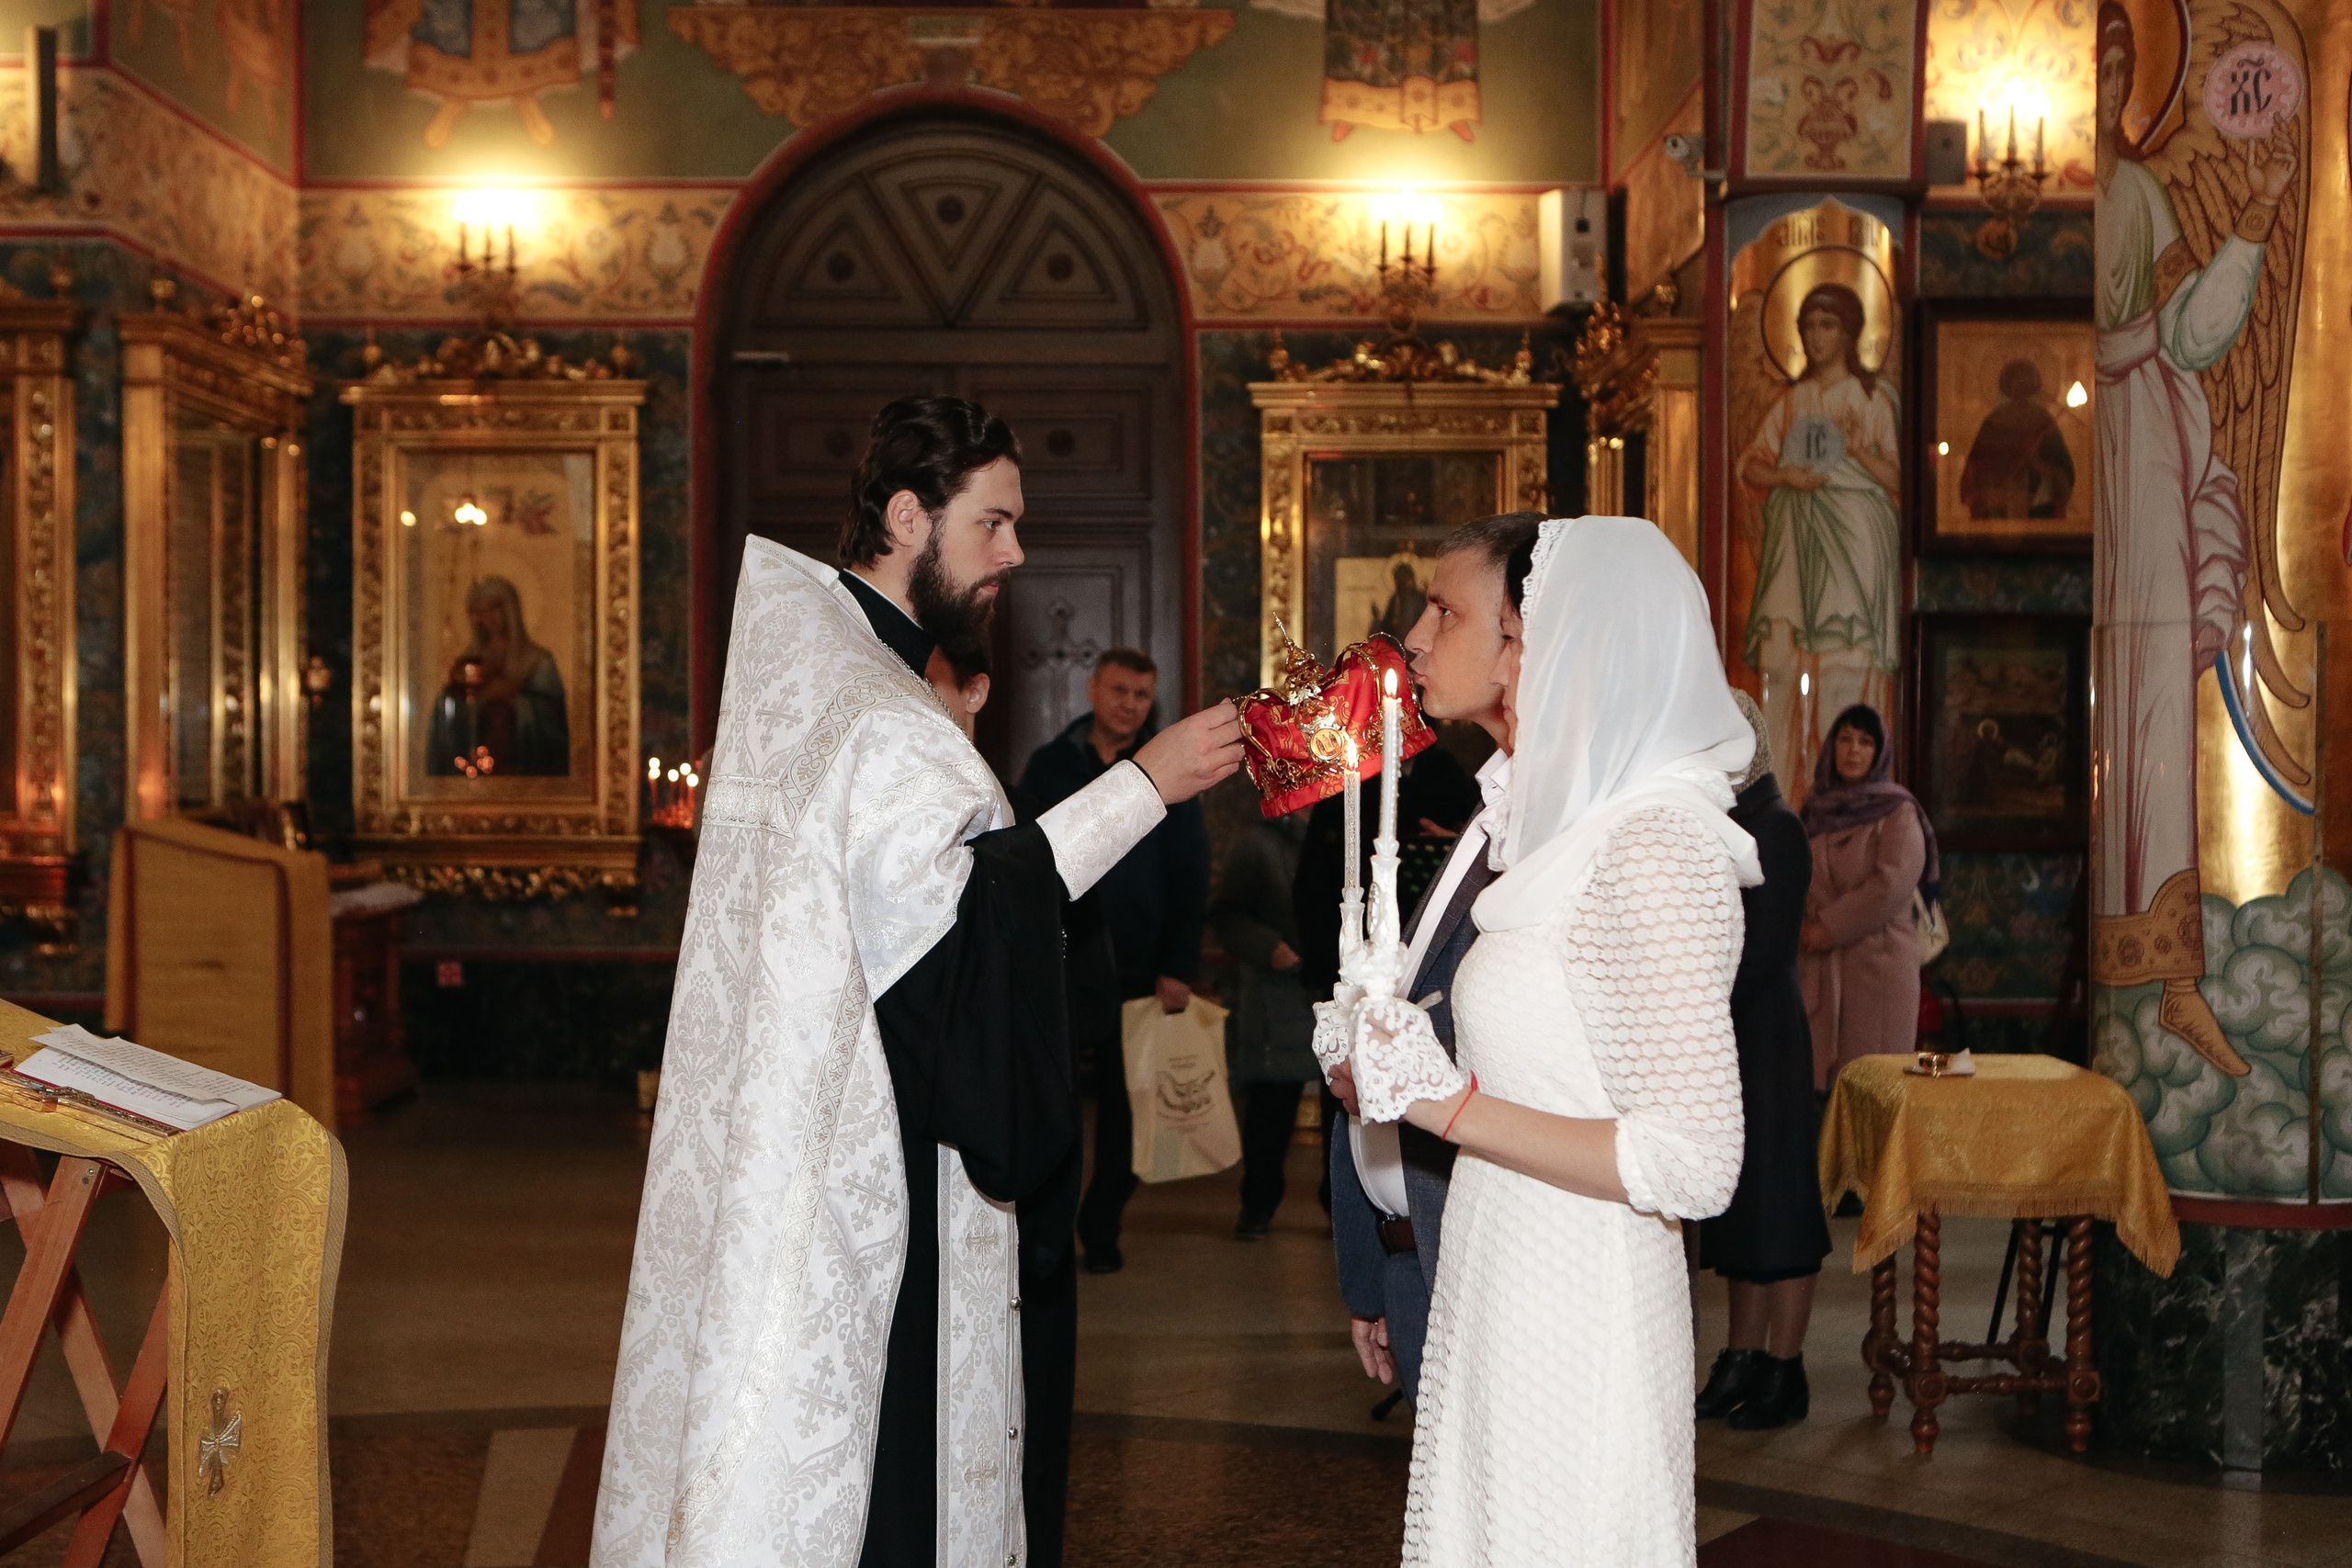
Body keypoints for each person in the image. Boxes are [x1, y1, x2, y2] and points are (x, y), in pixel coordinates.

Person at [593, 397, 1243, 1568]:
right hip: (870, 1178)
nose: (1015, 553)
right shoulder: (875, 714)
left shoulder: (821, 678)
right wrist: (1144, 786)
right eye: (991, 524)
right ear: (908, 516)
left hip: (795, 1145)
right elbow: (965, 944)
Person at [1345, 514, 1756, 1567]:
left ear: (1546, 639)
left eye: (1449, 611)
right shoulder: (1551, 824)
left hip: (1579, 1304)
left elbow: (1694, 1161)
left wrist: (1440, 1104)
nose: (1418, 636)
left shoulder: (1654, 845)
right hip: (1499, 1266)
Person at [2091, 0, 2287, 1076]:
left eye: (2121, 64)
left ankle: (2173, 984)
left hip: (2150, 456)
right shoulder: (2084, 198)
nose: (2105, 83)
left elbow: (2193, 332)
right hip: (2108, 462)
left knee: (2160, 691)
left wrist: (2252, 220)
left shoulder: (2137, 192)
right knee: (2111, 703)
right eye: (2097, 61)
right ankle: (2127, 984)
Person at [1320, 511, 1536, 1404]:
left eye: (1444, 612)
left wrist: (1401, 1084)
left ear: (1520, 641)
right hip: (1419, 1257)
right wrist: (1373, 1269)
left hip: (1500, 1271)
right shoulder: (1491, 804)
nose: (1411, 636)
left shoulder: (1563, 832)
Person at [924, 637, 1095, 1568]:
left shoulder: (1017, 828)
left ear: (977, 692)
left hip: (1020, 1151)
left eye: (934, 683)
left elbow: (1075, 974)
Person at [1019, 648, 1212, 1274]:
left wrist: (1179, 963)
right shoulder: (1051, 765)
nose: (1130, 704)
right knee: (1056, 1102)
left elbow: (1190, 874)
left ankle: (1101, 1221)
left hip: (1140, 967)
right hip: (1064, 965)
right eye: (1121, 690)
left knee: (1131, 1111)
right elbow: (1027, 858)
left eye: (1142, 695)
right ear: (1094, 688)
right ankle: (1044, 1226)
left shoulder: (1169, 768)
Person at [1694, 691, 1831, 1431]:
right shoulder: (1727, 822)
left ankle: (1787, 1366)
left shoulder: (1775, 827)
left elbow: (1760, 951)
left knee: (1782, 1209)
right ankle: (1740, 1356)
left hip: (1765, 1039)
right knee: (1740, 1213)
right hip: (1725, 1036)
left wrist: (1685, 992)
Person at [1739, 281, 1902, 803]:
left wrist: (1858, 451)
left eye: (1827, 325)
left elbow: (1896, 477)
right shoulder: (1794, 400)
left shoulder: (1869, 397)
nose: (1815, 336)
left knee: (1843, 664)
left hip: (1853, 546)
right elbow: (1751, 465)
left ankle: (1846, 797)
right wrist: (1787, 476)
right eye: (1808, 325)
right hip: (1794, 544)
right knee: (1782, 667)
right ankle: (1783, 797)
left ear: (1850, 332)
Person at [1798, 703, 1931, 1089]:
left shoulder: (1898, 812)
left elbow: (1889, 887)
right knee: (1825, 1094)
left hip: (1878, 969)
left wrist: (1828, 928)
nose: (1853, 750)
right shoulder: (1814, 811)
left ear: (1879, 752)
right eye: (1845, 739)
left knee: (1873, 1089)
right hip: (1821, 968)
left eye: (1865, 742)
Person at [1210, 805, 1318, 1238]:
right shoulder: (1259, 843)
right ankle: (1257, 1205)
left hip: (1341, 988)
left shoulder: (1353, 830)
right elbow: (1228, 915)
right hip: (1281, 992)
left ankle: (1343, 1212)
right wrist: (1268, 946)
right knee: (1271, 1109)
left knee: (1346, 1112)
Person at [426, 575, 569, 775]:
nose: (489, 618)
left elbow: (551, 718)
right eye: (481, 612)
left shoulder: (539, 660)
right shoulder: (471, 659)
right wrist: (458, 695)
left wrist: (515, 700)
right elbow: (449, 707)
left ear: (511, 609)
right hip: (472, 765)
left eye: (494, 608)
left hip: (523, 768)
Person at [1959, 358, 2075, 522]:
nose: (2021, 393)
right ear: (2008, 388)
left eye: (2026, 386)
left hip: (2039, 515)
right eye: (2017, 385)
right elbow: (1974, 475)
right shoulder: (1993, 423)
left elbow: (2064, 474)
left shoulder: (2044, 422)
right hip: (1998, 515)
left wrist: (2040, 466)